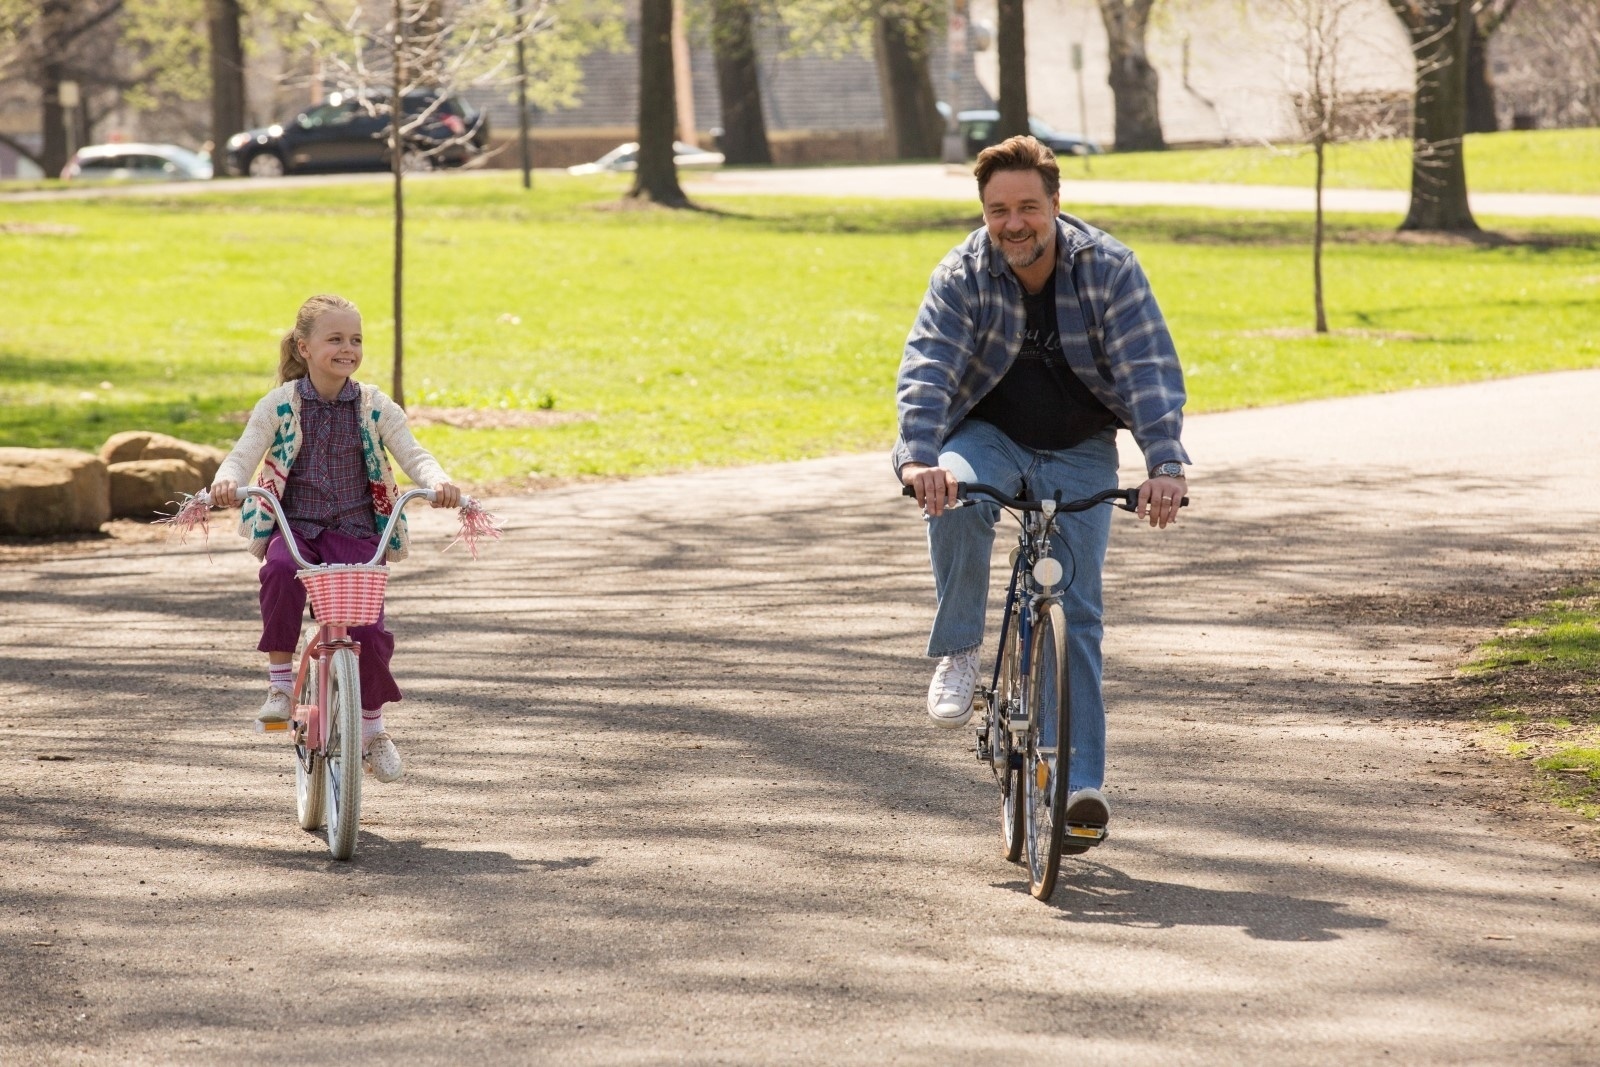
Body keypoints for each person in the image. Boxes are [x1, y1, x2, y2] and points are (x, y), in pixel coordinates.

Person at [895, 136, 1190, 833]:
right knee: (956, 496)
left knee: (1077, 611)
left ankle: (1080, 788)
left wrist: (1165, 466)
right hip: (987, 436)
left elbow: (1148, 371)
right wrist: (918, 457)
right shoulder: (962, 272)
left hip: (1081, 445)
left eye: (1029, 206)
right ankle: (963, 650)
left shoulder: (1109, 269)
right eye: (999, 210)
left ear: (1056, 203)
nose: (1014, 223)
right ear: (985, 213)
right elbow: (928, 367)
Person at [210, 294, 461, 783]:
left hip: (356, 528)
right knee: (280, 571)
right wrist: (225, 481)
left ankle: (372, 730)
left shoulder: (373, 405)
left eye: (356, 339)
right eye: (335, 339)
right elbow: (243, 454)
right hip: (296, 525)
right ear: (304, 347)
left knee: (367, 629)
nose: (348, 348)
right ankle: (281, 685)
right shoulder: (280, 404)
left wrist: (438, 481)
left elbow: (413, 452)